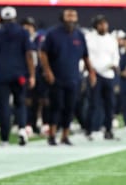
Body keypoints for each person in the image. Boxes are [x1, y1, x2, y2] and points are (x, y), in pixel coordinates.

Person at [40, 8, 97, 146]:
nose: (71, 18)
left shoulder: (79, 35)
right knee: (56, 106)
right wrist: (48, 71)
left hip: (73, 77)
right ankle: (52, 135)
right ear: (63, 17)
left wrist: (91, 72)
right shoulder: (53, 34)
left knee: (70, 107)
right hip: (57, 76)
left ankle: (65, 135)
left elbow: (85, 56)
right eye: (68, 15)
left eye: (73, 16)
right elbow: (43, 53)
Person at [0, 7, 35, 146]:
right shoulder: (23, 32)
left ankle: (5, 139)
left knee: (3, 106)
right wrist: (32, 75)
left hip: (1, 73)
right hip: (19, 74)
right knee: (20, 102)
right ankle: (22, 129)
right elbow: (28, 55)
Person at [84, 15, 120, 140]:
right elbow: (86, 56)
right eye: (100, 24)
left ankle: (108, 129)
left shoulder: (111, 39)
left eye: (105, 24)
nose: (103, 26)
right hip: (94, 74)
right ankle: (90, 129)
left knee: (109, 104)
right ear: (95, 26)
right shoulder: (89, 38)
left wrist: (115, 65)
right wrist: (90, 70)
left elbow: (116, 56)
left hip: (108, 74)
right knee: (93, 103)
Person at [21, 16, 47, 136]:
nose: (27, 29)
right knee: (28, 100)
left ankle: (42, 122)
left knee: (42, 99)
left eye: (29, 26)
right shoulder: (21, 39)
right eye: (25, 26)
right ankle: (28, 123)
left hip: (40, 71)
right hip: (26, 72)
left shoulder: (40, 39)